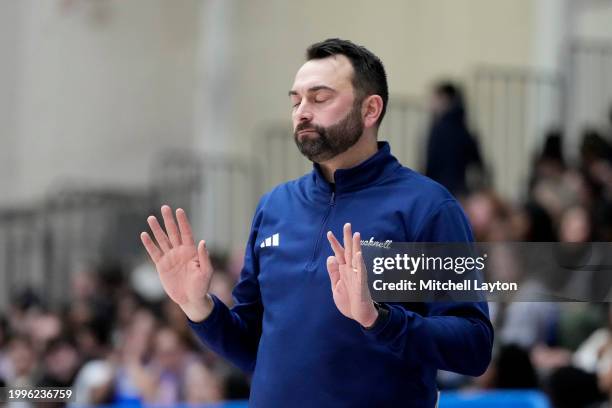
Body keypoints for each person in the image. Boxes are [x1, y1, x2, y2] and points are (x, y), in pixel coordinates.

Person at [141, 38, 493, 407]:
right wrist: (198, 306)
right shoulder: (274, 207)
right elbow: (255, 348)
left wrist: (378, 319)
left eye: (319, 98)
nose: (302, 112)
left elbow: (473, 346)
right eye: (296, 100)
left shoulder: (427, 206)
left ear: (370, 108)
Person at [424, 81, 484, 197]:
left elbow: (432, 162)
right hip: (461, 190)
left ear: (445, 99)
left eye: (434, 98)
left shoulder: (438, 129)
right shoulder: (465, 129)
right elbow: (477, 162)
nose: (431, 104)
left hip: (439, 188)